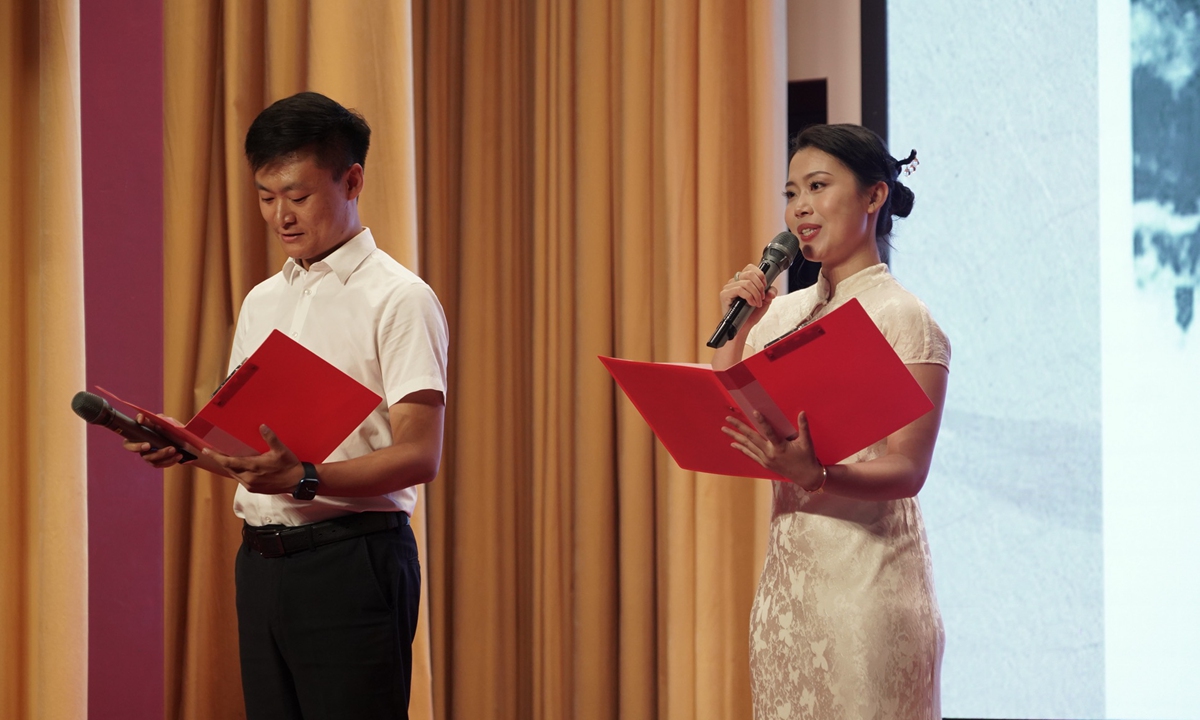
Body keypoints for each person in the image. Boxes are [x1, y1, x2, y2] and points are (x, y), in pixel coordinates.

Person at [127, 91, 448, 719]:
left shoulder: (399, 299)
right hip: (263, 563)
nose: (281, 216)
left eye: (298, 196)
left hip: (354, 562)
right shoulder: (262, 300)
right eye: (266, 197)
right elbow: (253, 458)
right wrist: (192, 448)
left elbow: (419, 455)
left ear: (352, 179)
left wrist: (304, 476)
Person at [714, 124, 949, 719]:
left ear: (874, 197)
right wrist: (736, 328)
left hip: (868, 589)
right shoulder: (783, 312)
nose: (800, 209)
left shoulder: (904, 317)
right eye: (792, 193)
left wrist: (817, 473)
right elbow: (728, 408)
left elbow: (907, 468)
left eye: (818, 187)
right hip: (789, 595)